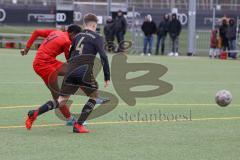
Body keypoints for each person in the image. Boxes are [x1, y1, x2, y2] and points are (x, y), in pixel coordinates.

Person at [25, 13, 110, 133]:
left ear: (84, 24)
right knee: (94, 96)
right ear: (94, 25)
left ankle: (35, 113)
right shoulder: (97, 37)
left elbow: (70, 55)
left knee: (61, 100)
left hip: (69, 69)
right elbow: (103, 57)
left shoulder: (75, 37)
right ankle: (79, 125)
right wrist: (107, 76)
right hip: (78, 69)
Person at [21, 25, 81, 125]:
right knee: (58, 98)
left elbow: (36, 31)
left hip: (49, 62)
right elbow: (69, 60)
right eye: (77, 37)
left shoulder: (55, 32)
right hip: (43, 66)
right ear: (72, 34)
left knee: (74, 72)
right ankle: (69, 119)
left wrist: (27, 49)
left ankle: (90, 94)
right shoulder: (67, 41)